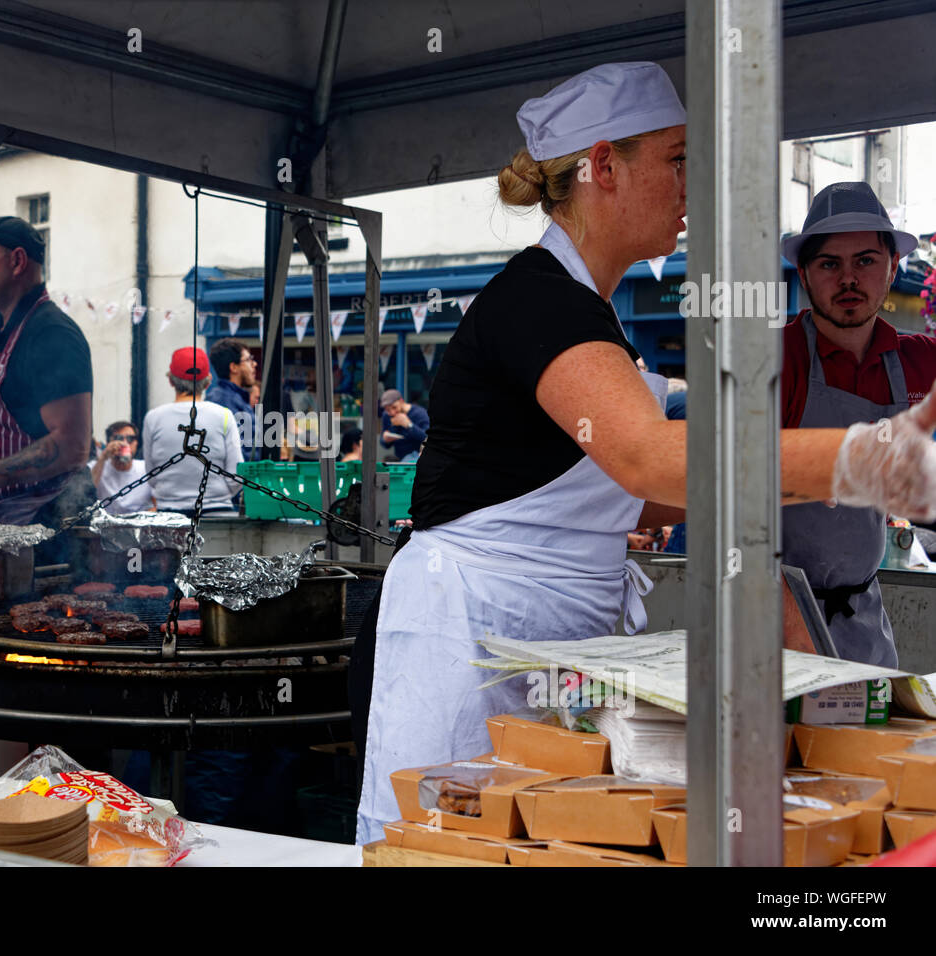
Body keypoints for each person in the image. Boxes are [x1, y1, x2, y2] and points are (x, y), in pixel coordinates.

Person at [353, 62, 936, 844]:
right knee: (448, 847)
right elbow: (648, 459)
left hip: (545, 638)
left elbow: (640, 492)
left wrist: (831, 491)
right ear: (602, 167)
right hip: (472, 637)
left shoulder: (588, 316)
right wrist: (864, 459)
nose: (692, 181)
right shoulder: (539, 301)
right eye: (677, 158)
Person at [778, 182, 936, 666]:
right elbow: (722, 495)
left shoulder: (918, 362)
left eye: (865, 260)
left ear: (892, 268)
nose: (849, 279)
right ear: (804, 274)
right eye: (830, 264)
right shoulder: (773, 361)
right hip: (769, 614)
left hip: (862, 621)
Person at [0, 216, 94, 530]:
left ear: (17, 260)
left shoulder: (51, 333)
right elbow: (17, 418)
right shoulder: (4, 328)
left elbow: (72, 446)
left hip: (48, 527)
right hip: (2, 523)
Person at [142, 347, 243, 514]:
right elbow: (235, 474)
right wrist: (216, 494)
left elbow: (152, 475)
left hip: (169, 512)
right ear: (208, 381)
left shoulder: (153, 418)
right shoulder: (224, 415)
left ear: (171, 381)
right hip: (216, 509)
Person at [206, 338, 259, 462]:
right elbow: (237, 453)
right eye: (248, 360)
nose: (254, 364)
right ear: (234, 367)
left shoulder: (236, 398)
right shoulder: (222, 400)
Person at [91, 420, 154, 514]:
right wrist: (104, 457)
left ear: (136, 443)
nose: (125, 443)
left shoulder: (146, 468)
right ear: (109, 443)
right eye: (118, 438)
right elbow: (87, 490)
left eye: (130, 439)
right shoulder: (98, 466)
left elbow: (157, 503)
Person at [379, 389, 429, 462]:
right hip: (400, 458)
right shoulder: (386, 416)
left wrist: (409, 425)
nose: (392, 412)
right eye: (388, 410)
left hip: (419, 457)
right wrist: (385, 440)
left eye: (394, 407)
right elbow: (384, 443)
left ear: (401, 401)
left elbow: (427, 439)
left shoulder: (420, 414)